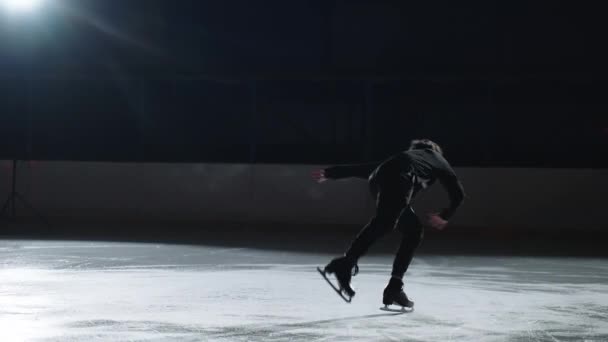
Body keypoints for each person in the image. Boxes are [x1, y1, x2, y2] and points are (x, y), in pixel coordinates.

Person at [313, 139, 465, 308]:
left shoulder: (405, 157)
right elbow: (459, 194)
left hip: (380, 181)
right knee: (385, 223)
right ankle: (345, 264)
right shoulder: (438, 159)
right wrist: (445, 214)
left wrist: (332, 172)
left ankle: (394, 286)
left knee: (413, 230)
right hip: (401, 180)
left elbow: (366, 168)